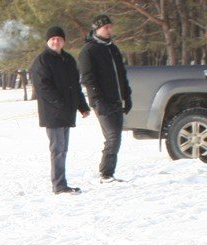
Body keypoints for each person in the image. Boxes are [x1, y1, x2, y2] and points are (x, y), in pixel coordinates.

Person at [30, 26, 90, 194]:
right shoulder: (42, 60)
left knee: (63, 149)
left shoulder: (69, 60)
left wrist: (82, 106)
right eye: (52, 39)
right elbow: (42, 87)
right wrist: (60, 102)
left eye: (59, 39)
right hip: (52, 113)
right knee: (57, 149)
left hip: (67, 112)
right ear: (47, 41)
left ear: (64, 41)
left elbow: (75, 86)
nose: (56, 41)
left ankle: (62, 183)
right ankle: (59, 185)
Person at [78, 14, 132, 182]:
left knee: (115, 137)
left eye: (110, 27)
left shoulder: (112, 49)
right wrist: (97, 100)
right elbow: (88, 78)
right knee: (113, 136)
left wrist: (127, 96)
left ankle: (108, 172)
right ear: (96, 29)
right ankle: (106, 173)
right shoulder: (88, 50)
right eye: (105, 27)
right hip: (102, 101)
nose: (109, 30)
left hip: (117, 99)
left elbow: (122, 75)